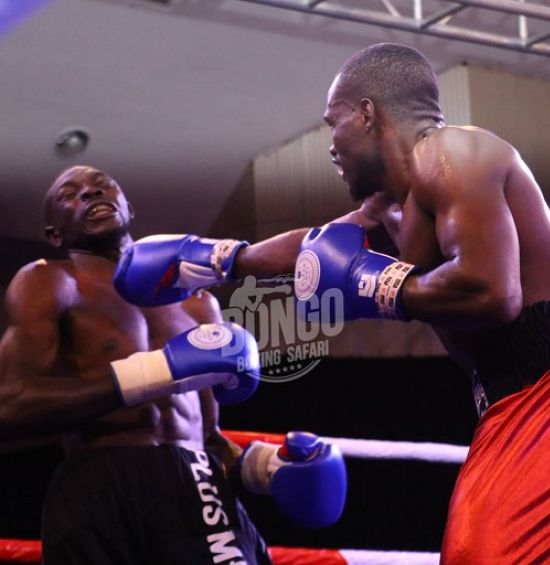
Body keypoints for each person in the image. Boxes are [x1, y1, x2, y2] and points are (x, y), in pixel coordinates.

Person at [114, 43, 550, 564]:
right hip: (512, 406)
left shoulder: (454, 154)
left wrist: (378, 285)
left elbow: (493, 292)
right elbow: (317, 249)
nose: (331, 145)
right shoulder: (398, 204)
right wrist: (219, 261)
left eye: (334, 123)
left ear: (367, 113)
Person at [0, 165, 347, 565]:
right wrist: (155, 371)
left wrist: (263, 467)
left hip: (196, 479)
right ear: (54, 233)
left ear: (129, 207)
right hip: (100, 480)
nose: (90, 194)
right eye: (70, 194)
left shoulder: (197, 301)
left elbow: (209, 437)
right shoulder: (50, 282)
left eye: (101, 186)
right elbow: (11, 403)